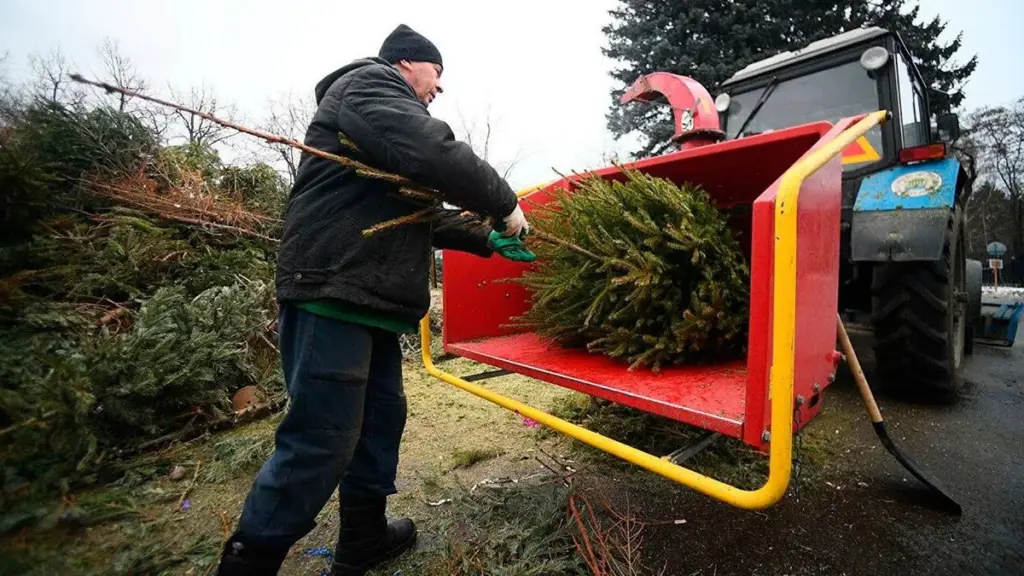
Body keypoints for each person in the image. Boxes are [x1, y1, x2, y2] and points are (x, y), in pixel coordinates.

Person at [215, 23, 533, 576]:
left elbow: (417, 213)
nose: (439, 90)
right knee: (322, 438)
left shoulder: (375, 125)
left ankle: (363, 540)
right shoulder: (367, 86)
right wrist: (503, 201)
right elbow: (432, 151)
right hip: (331, 289)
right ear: (410, 63)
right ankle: (247, 563)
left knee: (380, 423)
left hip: (371, 301)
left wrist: (485, 236)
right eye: (437, 76)